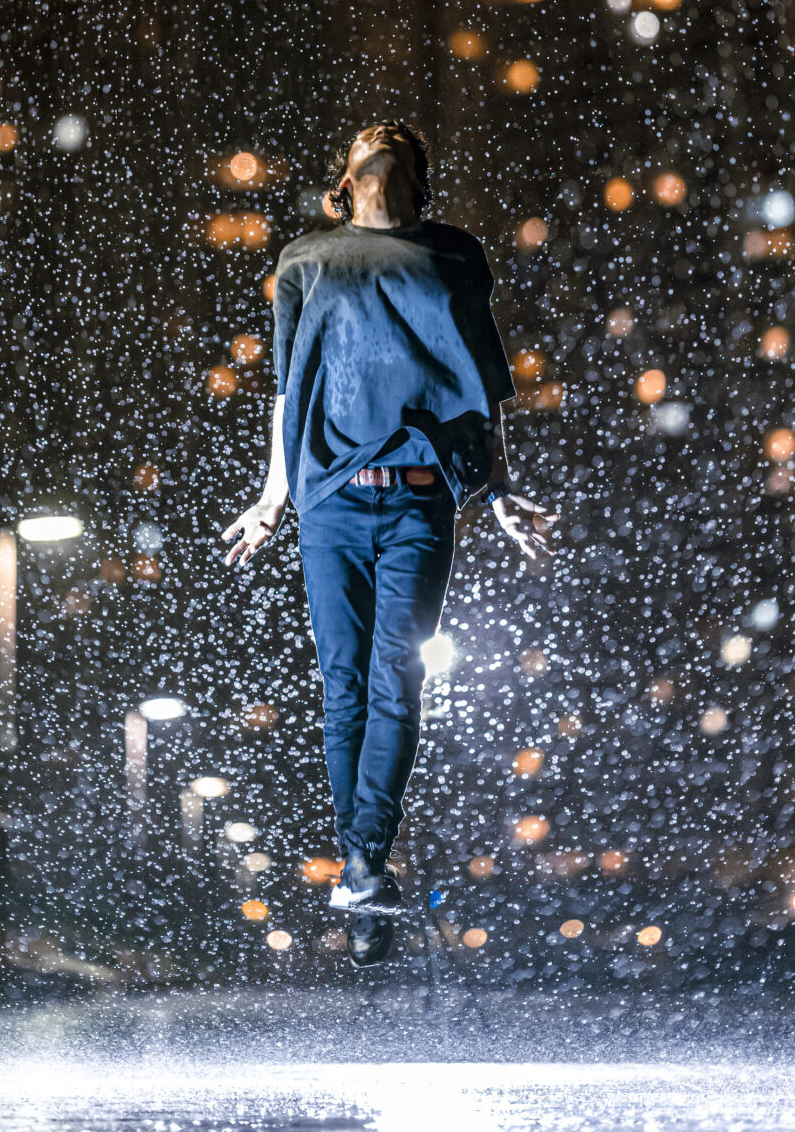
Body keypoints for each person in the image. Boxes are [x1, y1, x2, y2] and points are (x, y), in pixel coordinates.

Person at [221, 121, 559, 967]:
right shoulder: (307, 258)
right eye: (367, 139)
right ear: (344, 179)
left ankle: (364, 859)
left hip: (418, 502)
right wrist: (271, 498)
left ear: (413, 174)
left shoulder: (453, 254)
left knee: (394, 679)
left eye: (397, 142)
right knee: (345, 686)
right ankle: (365, 863)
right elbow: (288, 389)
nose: (381, 138)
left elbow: (483, 388)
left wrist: (505, 490)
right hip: (329, 502)